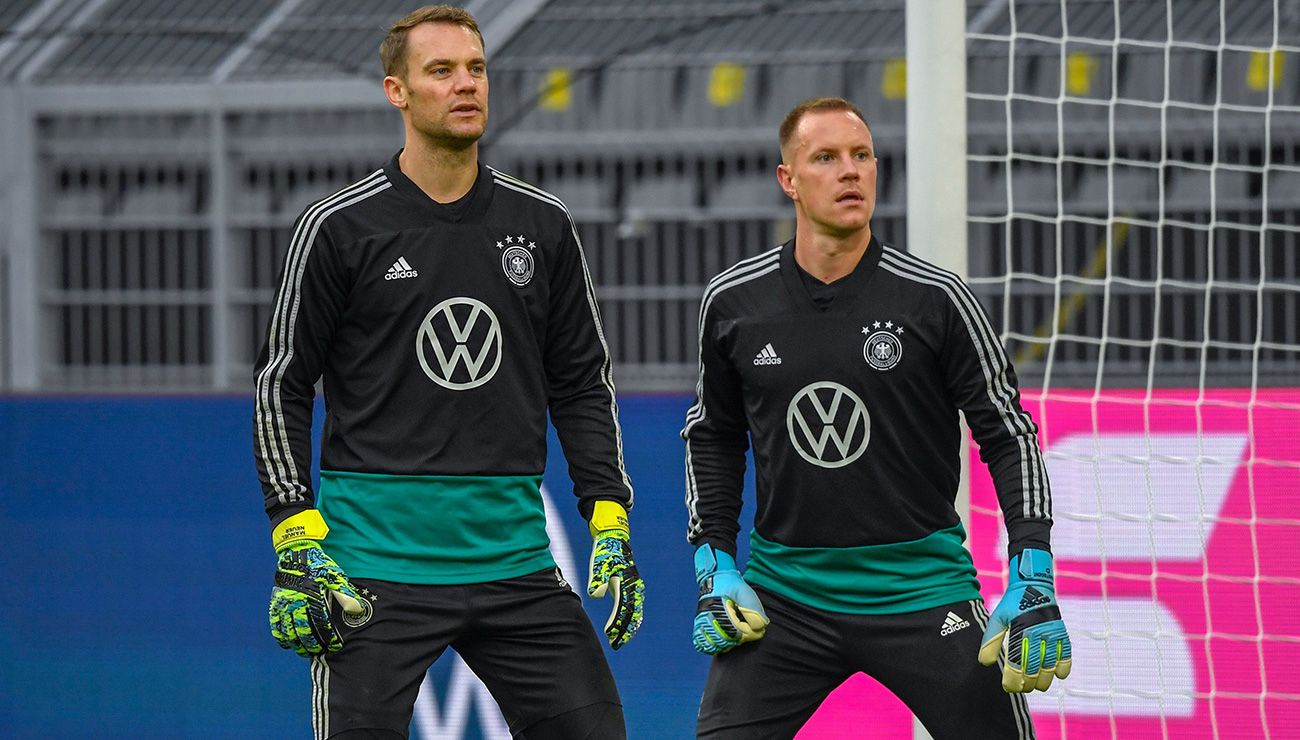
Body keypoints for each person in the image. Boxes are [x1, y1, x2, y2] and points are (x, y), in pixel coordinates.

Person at [252, 6, 644, 738]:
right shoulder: (339, 228)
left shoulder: (544, 224)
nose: (466, 85)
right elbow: (282, 382)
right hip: (371, 568)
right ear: (396, 92)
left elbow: (582, 382)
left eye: (476, 68)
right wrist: (294, 531)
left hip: (515, 562)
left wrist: (609, 514)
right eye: (441, 71)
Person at [681, 96, 1072, 739]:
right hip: (785, 597)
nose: (850, 172)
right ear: (789, 180)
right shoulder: (733, 303)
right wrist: (714, 564)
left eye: (862, 156)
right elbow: (713, 438)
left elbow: (1007, 433)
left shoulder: (937, 298)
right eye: (826, 158)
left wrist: (1033, 565)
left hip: (924, 593)